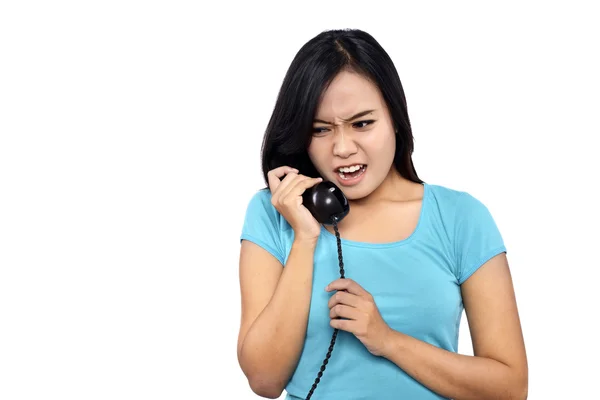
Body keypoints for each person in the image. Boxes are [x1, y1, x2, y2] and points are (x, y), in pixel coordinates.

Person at [236, 28, 528, 400]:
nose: (342, 148)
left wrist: (387, 340)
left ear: (395, 117)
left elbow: (510, 387)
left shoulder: (461, 218)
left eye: (362, 123)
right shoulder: (273, 214)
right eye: (321, 129)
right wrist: (305, 238)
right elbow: (264, 380)